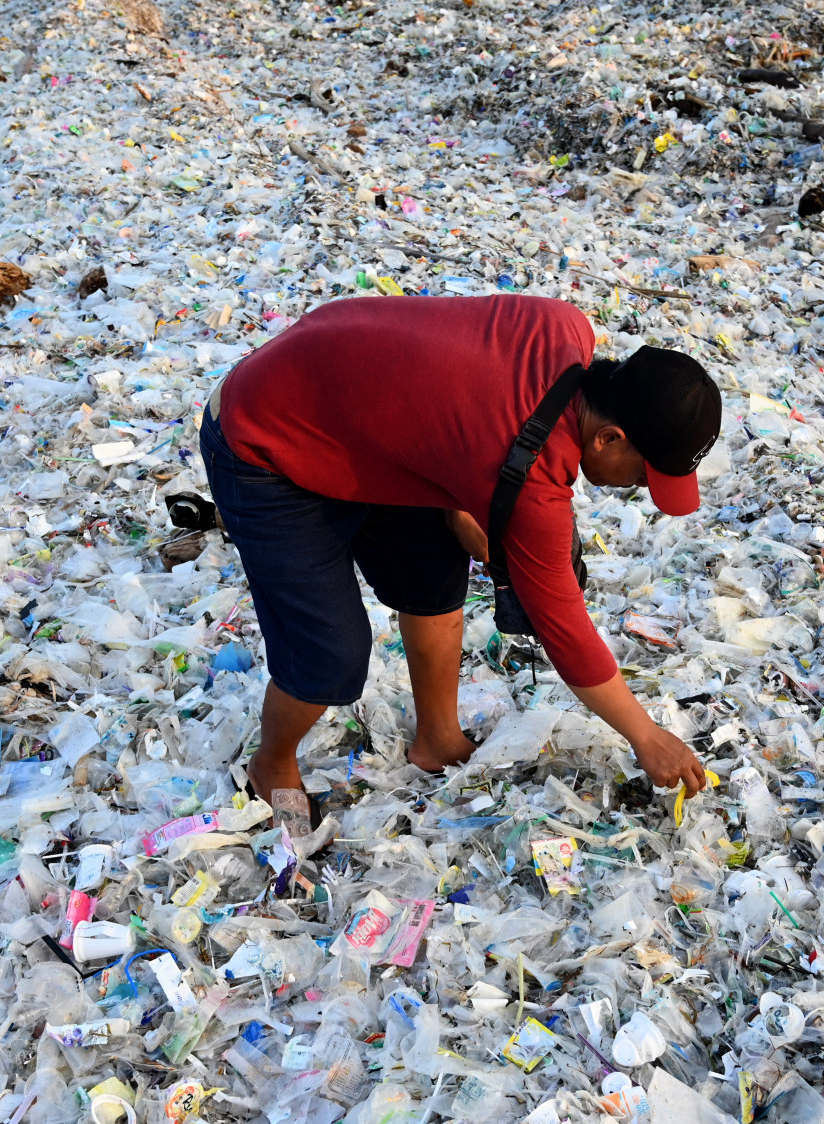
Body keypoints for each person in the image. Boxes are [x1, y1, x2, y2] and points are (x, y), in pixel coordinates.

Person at [203, 293, 719, 834]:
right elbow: (564, 630)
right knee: (330, 653)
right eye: (643, 476)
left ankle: (438, 738)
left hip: (347, 407)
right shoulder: (531, 486)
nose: (638, 489)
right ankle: (273, 763)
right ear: (609, 437)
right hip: (262, 436)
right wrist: (646, 735)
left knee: (434, 567)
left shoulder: (563, 325)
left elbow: (446, 393)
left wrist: (464, 497)